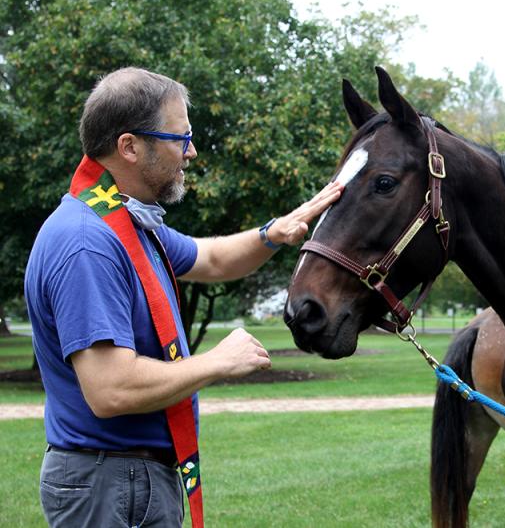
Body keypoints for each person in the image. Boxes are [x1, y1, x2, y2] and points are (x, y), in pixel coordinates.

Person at [24, 67, 343, 528]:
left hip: (127, 477)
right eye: (179, 137)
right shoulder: (87, 242)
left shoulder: (129, 225)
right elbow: (111, 389)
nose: (191, 151)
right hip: (110, 482)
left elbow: (212, 259)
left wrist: (274, 232)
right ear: (130, 146)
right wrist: (216, 361)